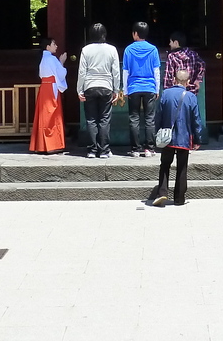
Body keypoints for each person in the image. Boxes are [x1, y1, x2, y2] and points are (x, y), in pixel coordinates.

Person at [149, 68, 202, 207]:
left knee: (165, 165)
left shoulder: (166, 94)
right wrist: (198, 139)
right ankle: (179, 198)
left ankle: (162, 193)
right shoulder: (191, 97)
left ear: (174, 80)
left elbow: (158, 116)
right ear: (188, 82)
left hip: (167, 137)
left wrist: (157, 133)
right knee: (182, 167)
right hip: (184, 138)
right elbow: (196, 120)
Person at [77, 23, 120, 159]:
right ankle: (104, 150)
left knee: (91, 119)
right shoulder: (112, 49)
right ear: (104, 34)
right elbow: (116, 72)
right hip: (106, 85)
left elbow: (82, 72)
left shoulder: (86, 50)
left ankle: (92, 150)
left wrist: (79, 89)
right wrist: (116, 89)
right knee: (104, 119)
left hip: (90, 85)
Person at [122, 21, 161, 158]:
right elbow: (156, 71)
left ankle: (135, 149)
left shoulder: (128, 49)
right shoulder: (153, 49)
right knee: (150, 118)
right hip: (149, 86)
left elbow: (125, 71)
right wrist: (157, 89)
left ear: (135, 34)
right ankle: (149, 148)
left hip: (133, 87)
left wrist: (125, 89)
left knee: (134, 118)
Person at [29, 38, 67, 154]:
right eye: (53, 44)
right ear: (47, 47)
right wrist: (62, 62)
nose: (56, 46)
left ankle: (41, 145)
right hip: (51, 88)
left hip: (44, 87)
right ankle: (52, 144)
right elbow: (61, 73)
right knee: (52, 115)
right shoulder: (52, 59)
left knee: (43, 116)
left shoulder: (43, 59)